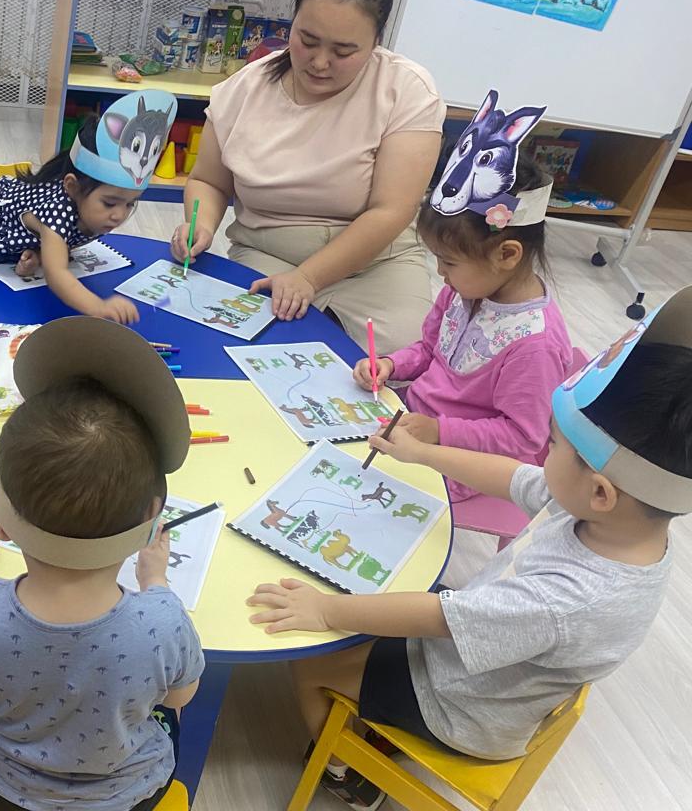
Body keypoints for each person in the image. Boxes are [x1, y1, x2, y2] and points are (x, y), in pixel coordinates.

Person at [247, 287, 692, 811]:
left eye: (552, 446)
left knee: (311, 658)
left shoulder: (568, 599)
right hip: (483, 661)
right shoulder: (614, 517)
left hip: (459, 707)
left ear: (600, 491)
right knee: (376, 589)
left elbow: (440, 617)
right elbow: (513, 477)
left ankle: (347, 777)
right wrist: (423, 453)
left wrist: (326, 611)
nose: (541, 456)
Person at [0, 317, 204, 810]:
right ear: (153, 518)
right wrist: (155, 578)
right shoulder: (163, 620)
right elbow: (179, 697)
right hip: (127, 797)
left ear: (3, 525)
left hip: (0, 789)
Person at [170, 0, 445, 354]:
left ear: (376, 41)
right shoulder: (244, 89)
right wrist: (202, 226)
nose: (319, 62)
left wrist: (309, 278)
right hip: (268, 255)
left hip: (377, 266)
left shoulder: (406, 90)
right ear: (292, 21)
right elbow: (209, 181)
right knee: (249, 352)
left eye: (343, 51)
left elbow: (391, 210)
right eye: (307, 40)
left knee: (398, 363)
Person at [352, 90, 575, 521]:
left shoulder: (534, 345)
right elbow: (429, 349)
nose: (440, 273)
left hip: (462, 463)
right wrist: (392, 365)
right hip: (413, 421)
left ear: (506, 255)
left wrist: (439, 431)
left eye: (449, 262)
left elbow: (522, 439)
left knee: (359, 503)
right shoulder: (466, 289)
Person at [0, 90, 178, 324]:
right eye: (110, 203)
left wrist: (43, 252)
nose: (119, 215)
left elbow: (64, 239)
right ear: (72, 187)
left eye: (130, 204)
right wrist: (99, 307)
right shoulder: (55, 210)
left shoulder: (91, 209)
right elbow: (57, 274)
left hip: (24, 233)